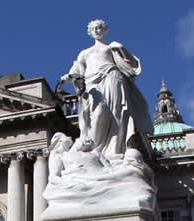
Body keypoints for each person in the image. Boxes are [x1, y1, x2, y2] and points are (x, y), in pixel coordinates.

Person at [60, 19, 152, 156]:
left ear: (105, 30)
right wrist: (69, 76)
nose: (97, 30)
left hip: (112, 78)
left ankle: (114, 150)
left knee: (116, 112)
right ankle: (94, 148)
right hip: (92, 83)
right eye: (94, 28)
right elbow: (77, 69)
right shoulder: (85, 53)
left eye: (99, 27)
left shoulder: (111, 48)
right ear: (90, 32)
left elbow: (132, 65)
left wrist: (121, 48)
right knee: (96, 112)